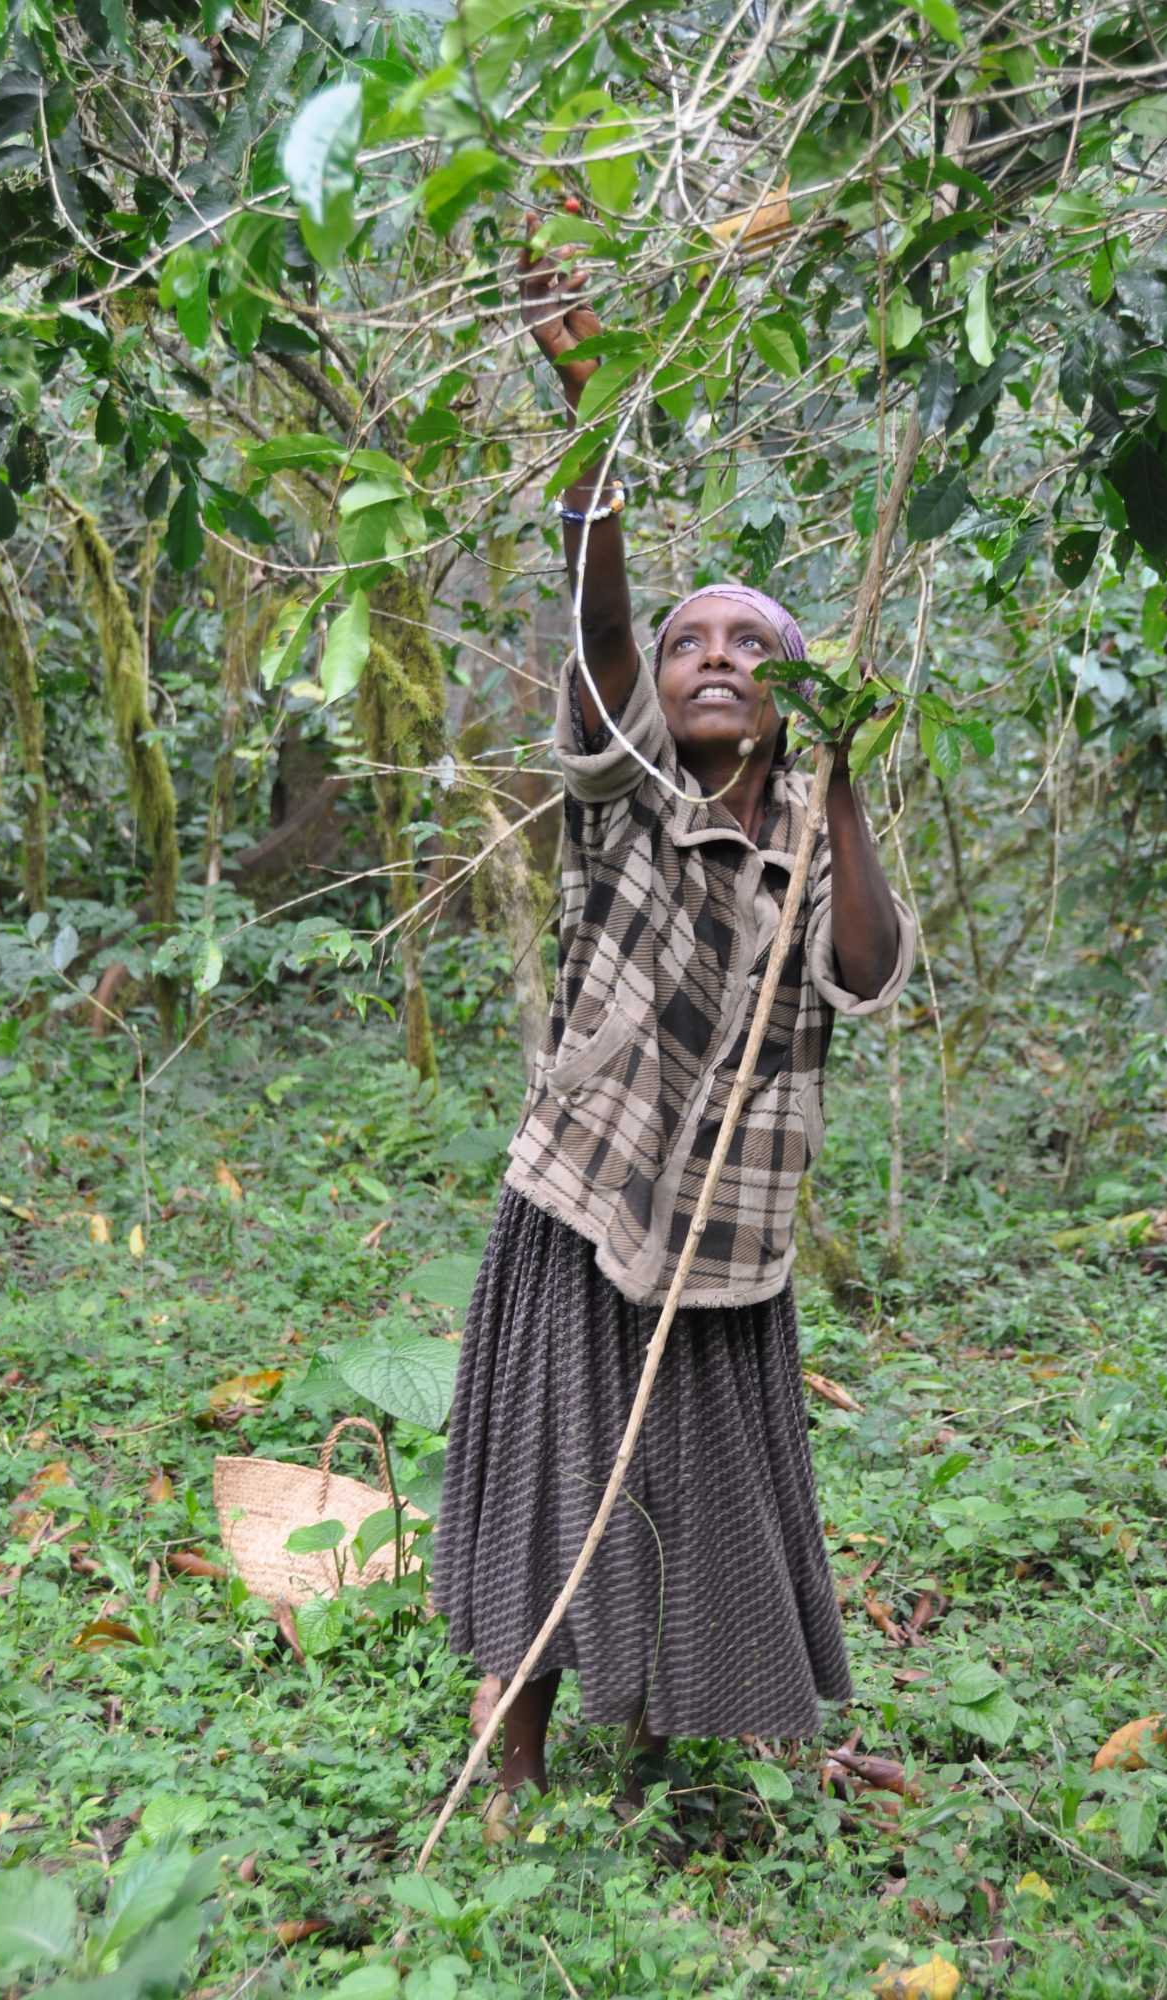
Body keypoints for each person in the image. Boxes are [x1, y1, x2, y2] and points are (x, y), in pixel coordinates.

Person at [432, 222, 916, 1810]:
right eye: (694, 644)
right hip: (584, 1194)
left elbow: (861, 968)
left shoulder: (814, 827)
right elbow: (599, 634)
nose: (709, 664)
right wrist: (592, 414)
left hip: (729, 1242)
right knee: (553, 1486)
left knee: (685, 1489)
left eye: (750, 650)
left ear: (791, 694)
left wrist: (842, 776)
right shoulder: (634, 795)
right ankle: (509, 1759)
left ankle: (646, 1742)